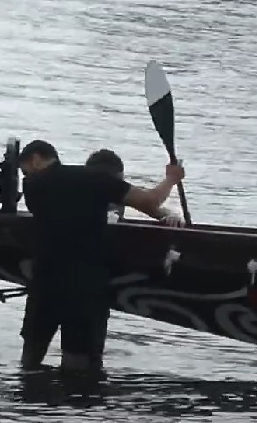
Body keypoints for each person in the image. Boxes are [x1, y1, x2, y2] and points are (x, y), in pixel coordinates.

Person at [18, 140, 184, 373]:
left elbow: (71, 199)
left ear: (35, 159)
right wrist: (171, 179)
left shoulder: (32, 185)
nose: (24, 173)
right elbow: (150, 200)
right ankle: (76, 404)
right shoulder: (98, 181)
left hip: (45, 280)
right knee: (78, 365)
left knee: (30, 358)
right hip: (85, 285)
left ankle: (29, 400)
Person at [84, 149, 185, 227]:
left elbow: (151, 208)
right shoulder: (106, 186)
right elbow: (151, 202)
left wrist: (171, 216)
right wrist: (171, 178)